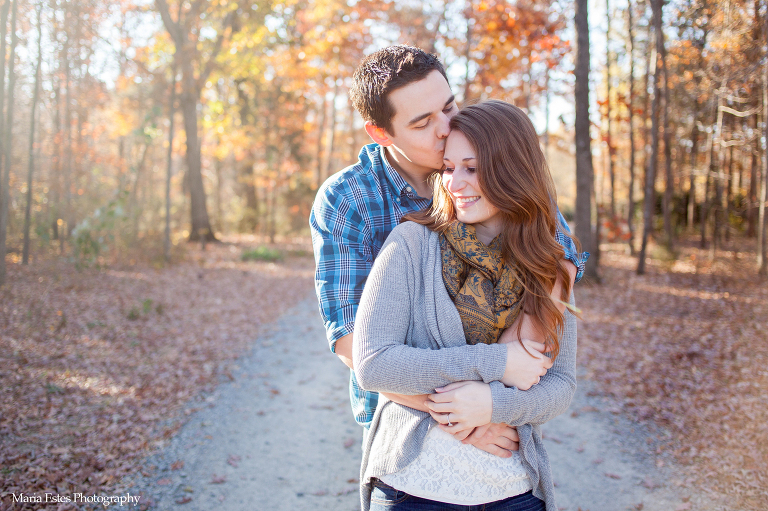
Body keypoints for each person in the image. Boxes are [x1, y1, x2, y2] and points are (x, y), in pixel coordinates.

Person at [310, 45, 587, 458]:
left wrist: (519, 350)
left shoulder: (496, 165)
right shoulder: (348, 199)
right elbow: (354, 343)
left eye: (449, 106)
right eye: (423, 122)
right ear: (381, 133)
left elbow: (559, 252)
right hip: (406, 423)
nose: (445, 128)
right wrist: (465, 417)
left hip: (504, 420)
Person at [353, 99, 580, 511]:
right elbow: (373, 363)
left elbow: (561, 386)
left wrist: (495, 405)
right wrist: (497, 363)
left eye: (472, 168)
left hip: (513, 492)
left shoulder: (548, 266)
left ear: (512, 169)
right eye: (449, 168)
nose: (455, 182)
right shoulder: (411, 245)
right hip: (412, 489)